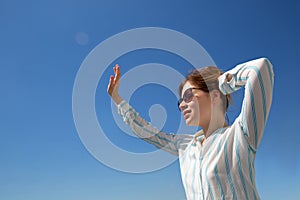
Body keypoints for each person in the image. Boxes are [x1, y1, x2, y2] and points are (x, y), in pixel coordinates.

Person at [107, 58, 274, 200]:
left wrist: (222, 84)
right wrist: (117, 98)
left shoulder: (240, 134)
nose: (181, 105)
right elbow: (147, 132)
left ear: (214, 96)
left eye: (188, 96)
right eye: (180, 101)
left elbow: (260, 69)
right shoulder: (184, 146)